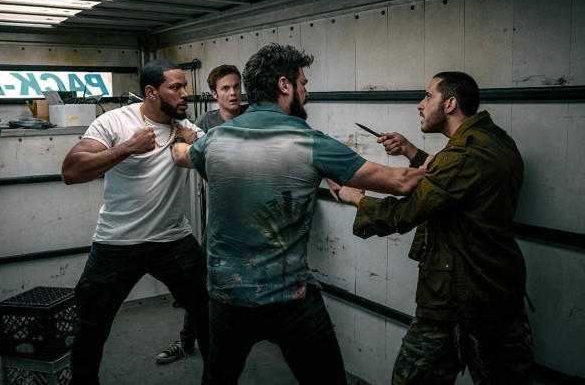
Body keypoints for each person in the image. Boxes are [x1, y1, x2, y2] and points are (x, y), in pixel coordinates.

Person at [170, 43, 426, 385]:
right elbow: (401, 182)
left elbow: (181, 156)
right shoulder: (311, 142)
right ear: (284, 85)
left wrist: (178, 140)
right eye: (303, 83)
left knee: (218, 378)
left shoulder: (213, 140)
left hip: (227, 296)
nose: (306, 92)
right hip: (289, 299)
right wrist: (446, 160)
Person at [330, 71, 533, 384]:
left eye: (428, 96)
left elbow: (404, 214)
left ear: (450, 104)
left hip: (455, 297)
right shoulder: (495, 141)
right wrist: (411, 151)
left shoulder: (462, 155)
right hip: (500, 291)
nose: (420, 105)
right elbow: (454, 185)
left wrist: (355, 196)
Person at [61, 58, 209, 384]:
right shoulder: (115, 122)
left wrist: (196, 143)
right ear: (152, 92)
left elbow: (216, 170)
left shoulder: (188, 129)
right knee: (91, 327)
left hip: (173, 240)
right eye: (176, 87)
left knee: (209, 313)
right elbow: (71, 170)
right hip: (117, 241)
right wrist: (128, 147)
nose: (185, 93)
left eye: (185, 86)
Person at [156, 64, 248, 365]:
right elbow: (187, 153)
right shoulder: (204, 123)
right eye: (225, 88)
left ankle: (236, 341)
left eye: (236, 86)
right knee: (201, 283)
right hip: (220, 217)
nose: (233, 93)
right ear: (213, 94)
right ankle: (186, 340)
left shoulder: (252, 117)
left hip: (254, 215)